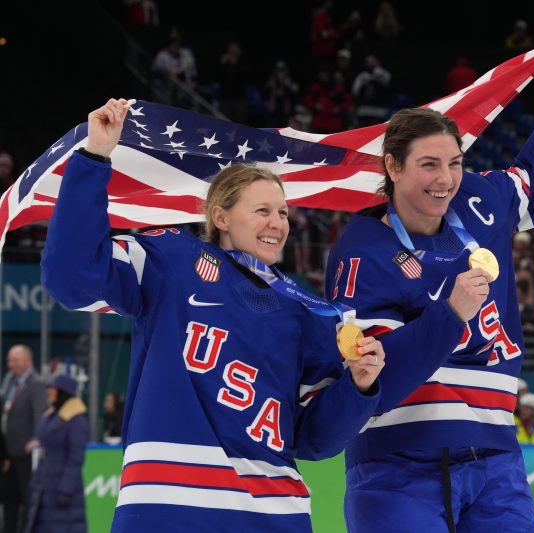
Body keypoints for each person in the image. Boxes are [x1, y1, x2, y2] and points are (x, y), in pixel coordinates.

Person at [40, 98, 389, 532]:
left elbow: (314, 441)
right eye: (262, 211)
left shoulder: (308, 311)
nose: (278, 223)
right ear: (220, 217)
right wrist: (94, 157)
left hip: (274, 515)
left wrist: (358, 387)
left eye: (283, 212)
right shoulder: (172, 260)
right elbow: (71, 276)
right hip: (168, 510)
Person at [325, 33, 534, 532]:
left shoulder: (479, 201)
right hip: (397, 465)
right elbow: (376, 381)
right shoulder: (361, 252)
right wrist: (450, 314)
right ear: (393, 167)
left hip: (495, 459)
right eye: (429, 165)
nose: (445, 179)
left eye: (454, 163)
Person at [25, 374, 88, 533]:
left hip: (61, 489)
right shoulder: (52, 415)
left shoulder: (77, 421)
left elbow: (76, 458)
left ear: (63, 392)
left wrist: (66, 488)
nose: (50, 393)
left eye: (53, 389)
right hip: (44, 486)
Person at [1, 345, 48, 533]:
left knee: (28, 499)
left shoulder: (37, 383)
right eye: (9, 360)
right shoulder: (9, 381)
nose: (11, 364)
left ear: (28, 361)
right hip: (8, 453)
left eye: (15, 360)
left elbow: (40, 413)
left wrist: (36, 438)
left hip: (26, 455)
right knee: (9, 499)